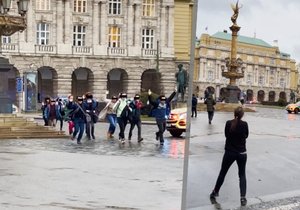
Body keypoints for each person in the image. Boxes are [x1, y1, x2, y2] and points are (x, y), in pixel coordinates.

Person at [210, 106, 249, 206]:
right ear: (242, 115)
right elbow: (246, 135)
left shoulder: (229, 123)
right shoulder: (245, 124)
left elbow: (226, 135)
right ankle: (243, 197)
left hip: (230, 152)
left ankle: (215, 192)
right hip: (241, 153)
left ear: (234, 113)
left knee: (223, 172)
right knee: (242, 175)